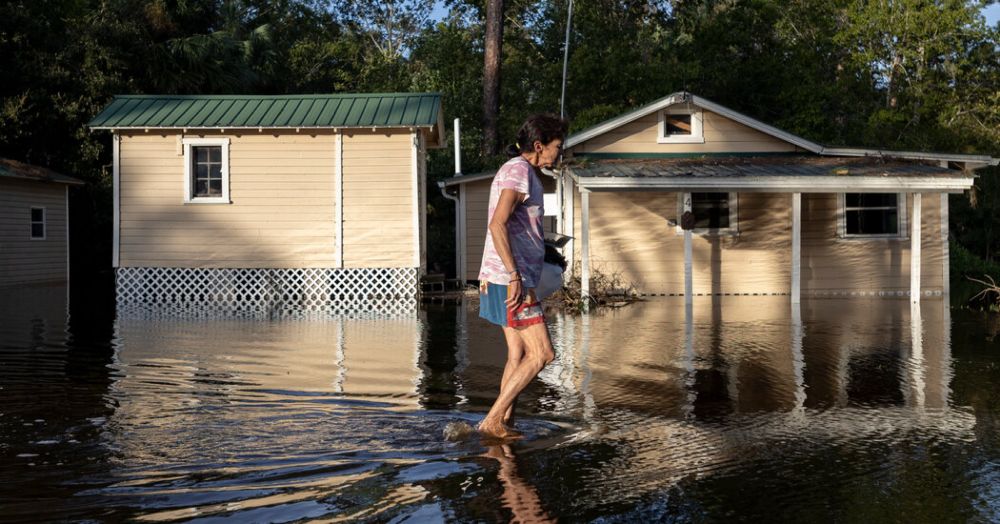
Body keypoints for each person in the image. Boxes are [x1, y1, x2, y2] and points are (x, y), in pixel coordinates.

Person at [477, 113, 568, 439]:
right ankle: (491, 421)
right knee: (543, 353)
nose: (559, 153)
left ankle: (504, 423)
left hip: (504, 279)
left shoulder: (520, 171)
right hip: (511, 283)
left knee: (518, 354)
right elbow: (497, 224)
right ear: (539, 145)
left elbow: (514, 227)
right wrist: (516, 276)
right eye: (557, 146)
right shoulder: (519, 172)